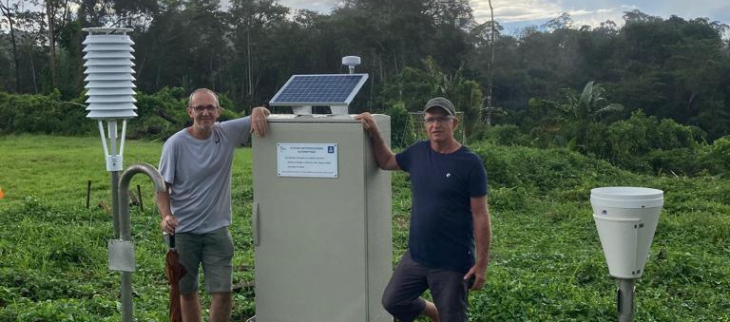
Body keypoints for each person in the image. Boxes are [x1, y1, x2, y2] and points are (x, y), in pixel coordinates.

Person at [355, 97, 492, 322]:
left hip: (452, 262)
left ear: (454, 123)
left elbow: (480, 215)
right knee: (393, 300)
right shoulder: (418, 152)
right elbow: (387, 161)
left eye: (442, 119)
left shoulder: (470, 163)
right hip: (417, 256)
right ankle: (433, 311)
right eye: (430, 120)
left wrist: (482, 264)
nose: (435, 125)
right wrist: (373, 131)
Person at [156, 88, 270, 322]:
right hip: (183, 231)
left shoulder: (226, 133)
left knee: (224, 293)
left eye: (210, 107)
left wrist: (259, 110)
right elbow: (162, 188)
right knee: (186, 292)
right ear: (190, 112)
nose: (205, 112)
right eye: (199, 108)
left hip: (217, 230)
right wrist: (166, 215)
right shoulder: (175, 144)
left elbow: (260, 116)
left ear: (219, 111)